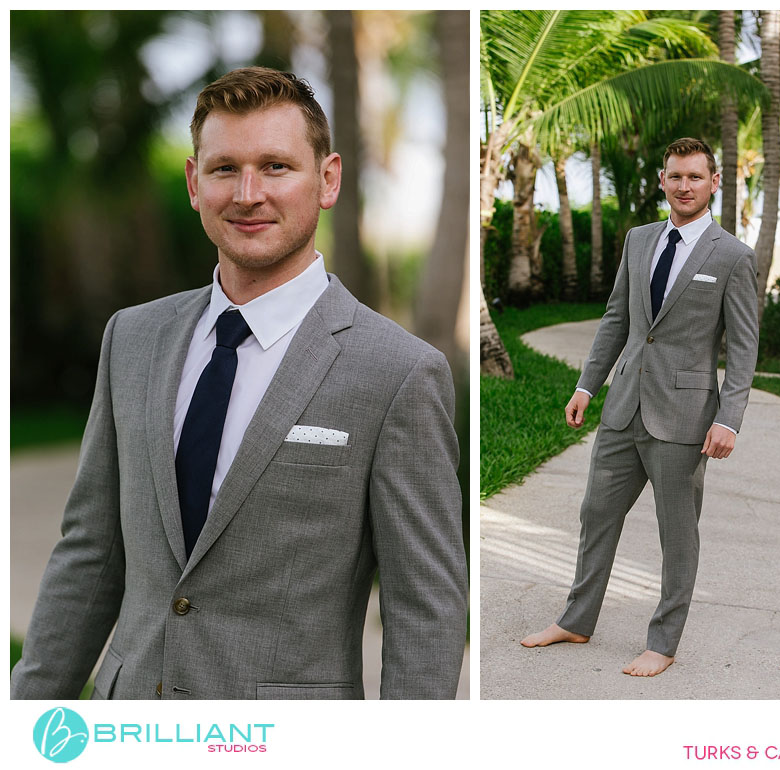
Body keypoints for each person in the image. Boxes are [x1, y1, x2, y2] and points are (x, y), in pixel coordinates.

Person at [11, 67, 467, 700]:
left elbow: (425, 609)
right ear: (196, 183)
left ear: (328, 179)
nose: (248, 194)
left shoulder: (397, 372)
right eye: (225, 169)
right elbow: (89, 554)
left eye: (276, 166)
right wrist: (24, 725)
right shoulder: (132, 339)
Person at [521, 138, 758, 677]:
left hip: (684, 418)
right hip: (624, 406)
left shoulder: (732, 257)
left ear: (713, 183)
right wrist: (587, 384)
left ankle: (664, 641)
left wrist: (729, 418)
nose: (684, 186)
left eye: (695, 177)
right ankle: (577, 620)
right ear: (662, 179)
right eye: (675, 176)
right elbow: (617, 319)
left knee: (677, 534)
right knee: (595, 515)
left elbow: (744, 349)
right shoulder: (639, 240)